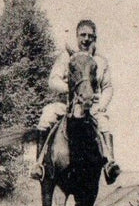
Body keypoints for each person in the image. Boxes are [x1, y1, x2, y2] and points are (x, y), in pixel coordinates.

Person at [30, 19, 121, 184]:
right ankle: (38, 164)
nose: (86, 39)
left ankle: (110, 164)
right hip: (66, 104)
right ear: (76, 36)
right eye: (82, 35)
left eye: (90, 36)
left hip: (90, 106)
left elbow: (107, 87)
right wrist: (69, 89)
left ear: (95, 38)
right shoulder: (66, 57)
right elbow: (53, 79)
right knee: (46, 115)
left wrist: (101, 106)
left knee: (104, 123)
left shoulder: (100, 61)